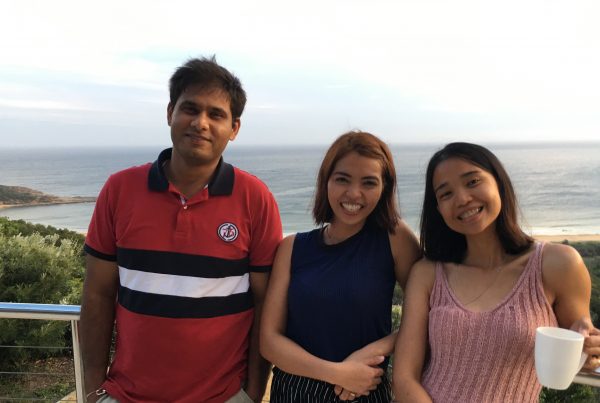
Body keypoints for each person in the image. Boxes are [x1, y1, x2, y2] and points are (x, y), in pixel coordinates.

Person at [79, 57, 282, 403]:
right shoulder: (120, 189)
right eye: (190, 108)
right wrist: (94, 391)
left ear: (234, 128)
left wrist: (251, 394)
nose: (200, 123)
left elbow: (265, 305)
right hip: (126, 395)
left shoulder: (255, 199)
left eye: (216, 114)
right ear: (170, 112)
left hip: (224, 397)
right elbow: (97, 295)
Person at [392, 142, 600, 402]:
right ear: (438, 210)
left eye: (472, 182)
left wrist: (589, 346)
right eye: (445, 194)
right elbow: (403, 379)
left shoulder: (558, 264)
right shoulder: (428, 273)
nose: (462, 199)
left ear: (499, 183)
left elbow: (582, 352)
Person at [260, 131, 420, 402]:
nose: (353, 194)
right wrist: (336, 373)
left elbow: (430, 315)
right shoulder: (292, 248)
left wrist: (374, 351)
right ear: (326, 182)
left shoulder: (395, 238)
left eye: (369, 183)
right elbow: (269, 341)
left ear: (384, 188)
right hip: (294, 392)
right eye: (342, 179)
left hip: (362, 390)